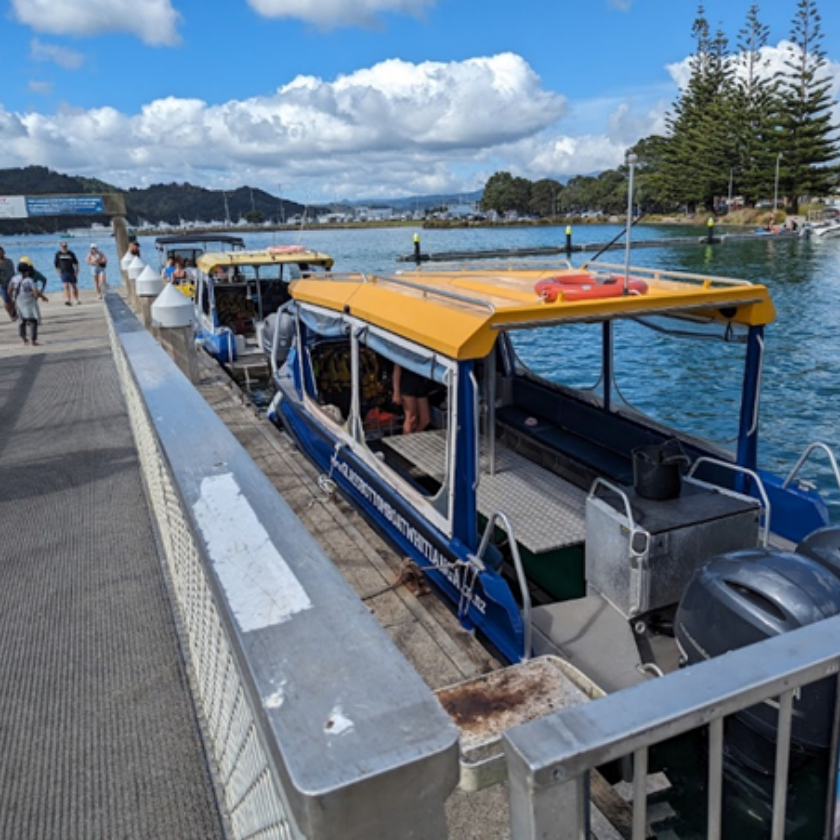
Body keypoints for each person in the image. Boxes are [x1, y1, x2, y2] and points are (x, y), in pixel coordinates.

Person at [9, 261, 48, 346]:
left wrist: (13, 298)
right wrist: (42, 297)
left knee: (21, 320)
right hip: (29, 301)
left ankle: (23, 339)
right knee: (33, 320)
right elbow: (35, 292)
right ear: (27, 271)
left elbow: (9, 290)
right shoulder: (30, 280)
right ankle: (33, 341)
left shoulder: (14, 279)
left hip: (19, 301)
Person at [393, 364, 431, 435]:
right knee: (411, 417)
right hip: (407, 384)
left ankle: (413, 438)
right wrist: (396, 392)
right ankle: (407, 441)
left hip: (421, 383)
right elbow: (397, 369)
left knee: (425, 419)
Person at [54, 240, 80, 306]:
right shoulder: (58, 254)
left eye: (65, 246)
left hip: (71, 271)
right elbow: (56, 265)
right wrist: (58, 272)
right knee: (66, 286)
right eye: (63, 246)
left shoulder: (71, 253)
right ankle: (68, 300)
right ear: (60, 246)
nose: (64, 247)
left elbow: (76, 263)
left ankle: (76, 299)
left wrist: (77, 271)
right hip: (63, 272)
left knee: (74, 286)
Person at [0, 246, 16, 321]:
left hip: (11, 283)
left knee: (12, 299)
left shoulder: (9, 261)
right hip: (3, 284)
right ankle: (11, 315)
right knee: (6, 300)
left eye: (1, 252)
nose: (1, 253)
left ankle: (14, 312)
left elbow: (13, 271)